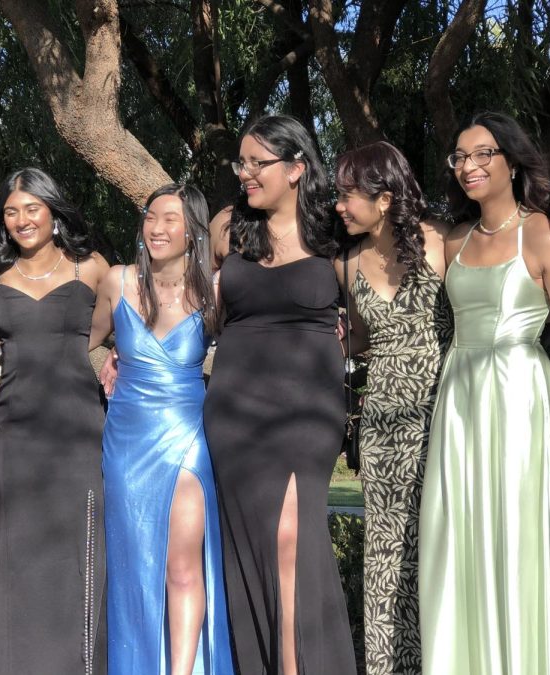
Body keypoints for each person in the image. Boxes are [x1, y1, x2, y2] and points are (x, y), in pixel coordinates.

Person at [418, 111, 550, 675]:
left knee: (514, 534)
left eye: (483, 153)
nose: (469, 166)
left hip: (518, 395)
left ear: (510, 161)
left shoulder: (544, 231)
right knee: (455, 535)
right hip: (458, 396)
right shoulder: (453, 238)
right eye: (460, 156)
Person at [205, 114, 357, 674]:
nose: (245, 173)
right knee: (250, 548)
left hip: (308, 411)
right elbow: (199, 309)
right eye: (241, 162)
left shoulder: (335, 233)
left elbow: (370, 308)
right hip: (236, 411)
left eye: (257, 163)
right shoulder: (227, 228)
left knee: (293, 538)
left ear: (297, 168)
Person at [0, 168, 109, 674]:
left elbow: (104, 331)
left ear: (53, 212)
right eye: (11, 211)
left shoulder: (92, 268)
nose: (22, 219)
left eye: (32, 208)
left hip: (79, 434)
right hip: (17, 435)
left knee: (81, 557)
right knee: (20, 558)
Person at [98, 183, 233, 674]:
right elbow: (81, 340)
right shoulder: (116, 281)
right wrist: (108, 360)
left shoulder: (215, 290)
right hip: (126, 442)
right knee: (135, 566)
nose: (157, 227)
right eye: (151, 216)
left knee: (181, 566)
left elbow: (250, 344)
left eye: (170, 218)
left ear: (193, 230)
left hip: (187, 439)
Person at [333, 141, 453, 674]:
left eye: (346, 195)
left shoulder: (443, 240)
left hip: (441, 410)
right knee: (388, 549)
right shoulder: (348, 261)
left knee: (440, 537)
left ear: (383, 198)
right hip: (381, 420)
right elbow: (359, 339)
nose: (338, 206)